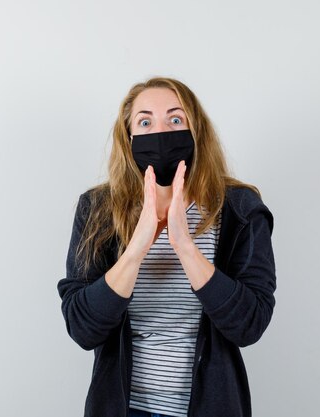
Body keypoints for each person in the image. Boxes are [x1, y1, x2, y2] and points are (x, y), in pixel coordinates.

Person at [57, 77, 277, 417]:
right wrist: (137, 246)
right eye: (145, 122)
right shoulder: (98, 209)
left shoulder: (239, 209)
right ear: (128, 138)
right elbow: (83, 328)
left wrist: (185, 246)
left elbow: (249, 325)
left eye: (175, 120)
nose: (161, 132)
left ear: (196, 131)